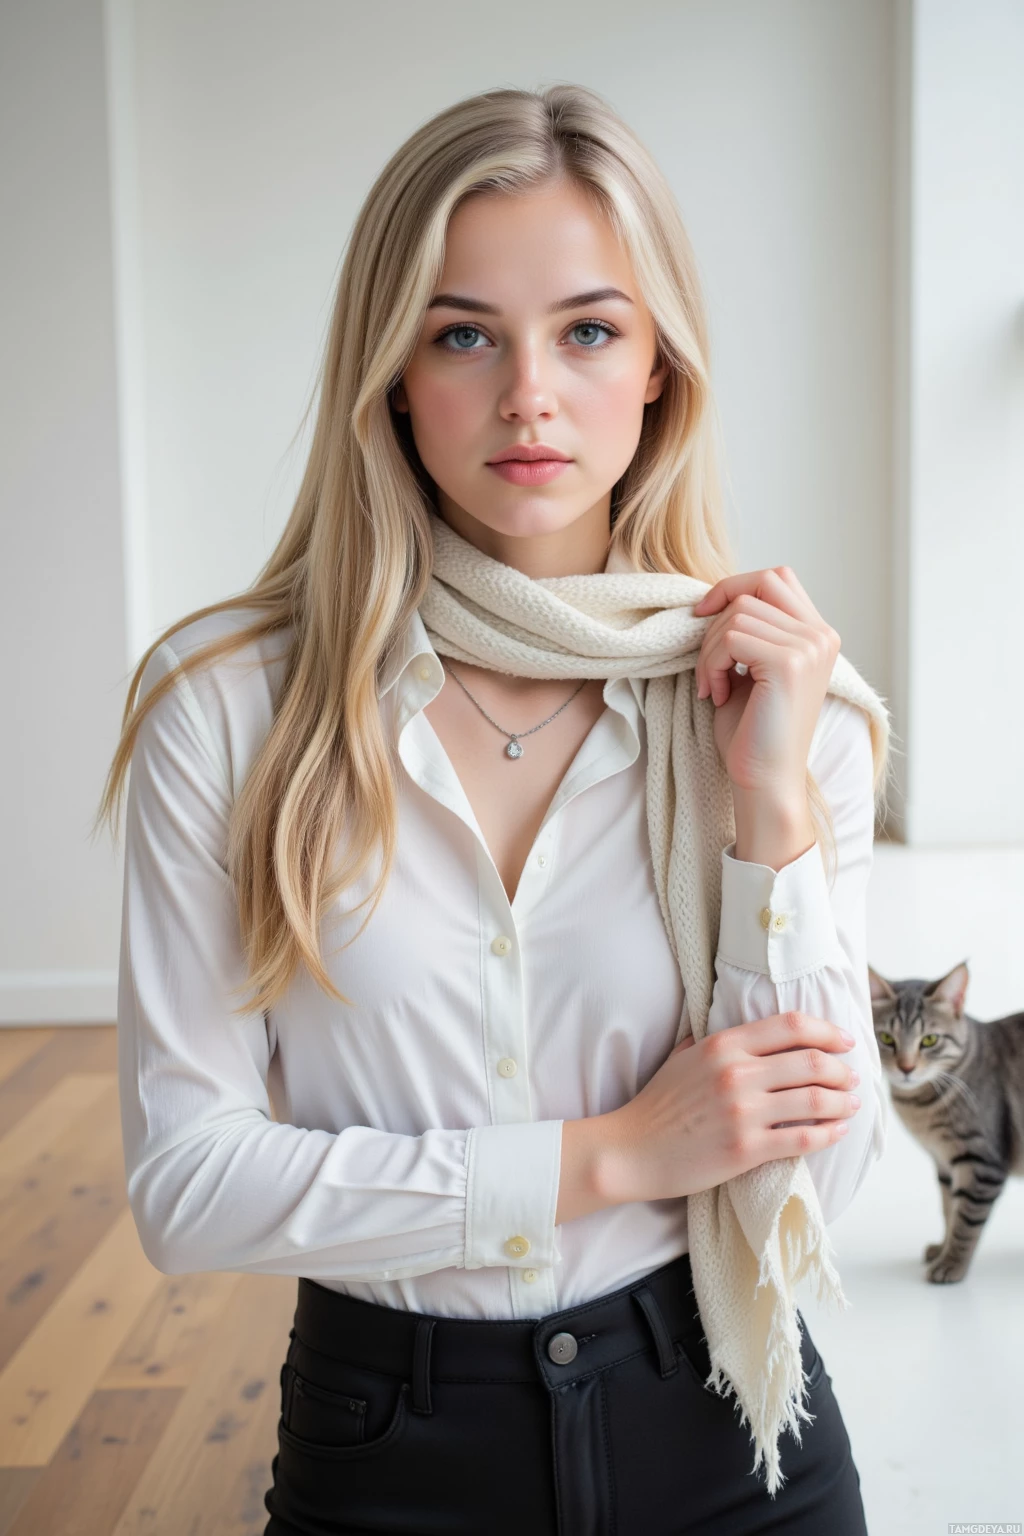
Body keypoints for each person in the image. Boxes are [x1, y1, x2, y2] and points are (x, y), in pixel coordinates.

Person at [98, 82, 889, 1535]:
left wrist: (768, 805)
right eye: (465, 334)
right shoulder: (228, 707)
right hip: (386, 1438)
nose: (531, 393)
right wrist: (612, 1157)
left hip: (731, 1427)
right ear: (394, 371)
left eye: (588, 331)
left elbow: (817, 1188)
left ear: (660, 369)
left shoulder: (790, 710)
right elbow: (190, 1187)